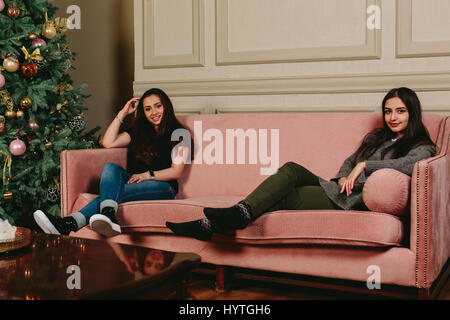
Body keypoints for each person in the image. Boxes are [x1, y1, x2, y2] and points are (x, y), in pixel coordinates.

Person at [166, 87, 436, 241]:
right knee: (292, 169)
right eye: (388, 111)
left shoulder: (422, 147)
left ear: (412, 113)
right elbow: (348, 162)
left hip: (353, 201)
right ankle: (235, 215)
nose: (392, 117)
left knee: (284, 195)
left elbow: (407, 166)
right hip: (338, 190)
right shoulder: (378, 138)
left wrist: (365, 167)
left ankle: (211, 224)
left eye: (400, 111)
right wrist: (344, 175)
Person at [34, 88, 190, 237]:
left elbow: (176, 171)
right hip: (133, 182)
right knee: (110, 168)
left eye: (158, 106)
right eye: (148, 109)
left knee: (110, 195)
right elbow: (108, 143)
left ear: (166, 106)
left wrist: (147, 175)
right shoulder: (138, 132)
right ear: (143, 112)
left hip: (163, 187)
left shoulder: (180, 133)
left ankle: (68, 223)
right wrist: (123, 113)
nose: (154, 112)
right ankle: (108, 214)